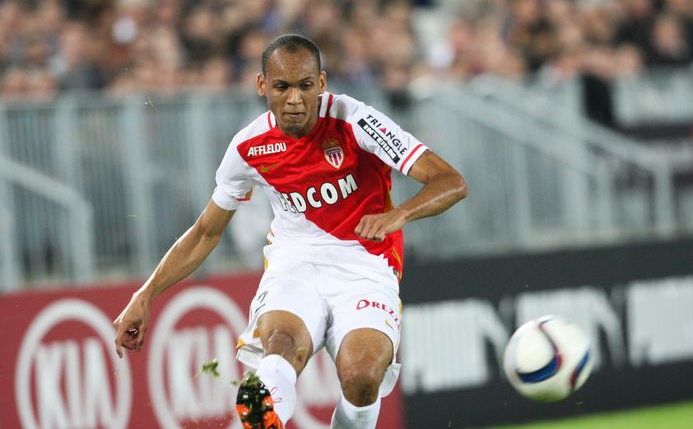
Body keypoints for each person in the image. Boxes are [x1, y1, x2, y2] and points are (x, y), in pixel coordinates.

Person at [113, 33, 467, 429]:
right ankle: (264, 415)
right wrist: (145, 295)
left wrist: (399, 214)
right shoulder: (248, 147)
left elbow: (450, 181)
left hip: (367, 266)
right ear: (263, 86)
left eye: (304, 86)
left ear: (322, 83)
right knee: (280, 346)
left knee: (363, 376)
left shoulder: (357, 120)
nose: (294, 100)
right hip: (295, 263)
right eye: (282, 87)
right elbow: (205, 233)